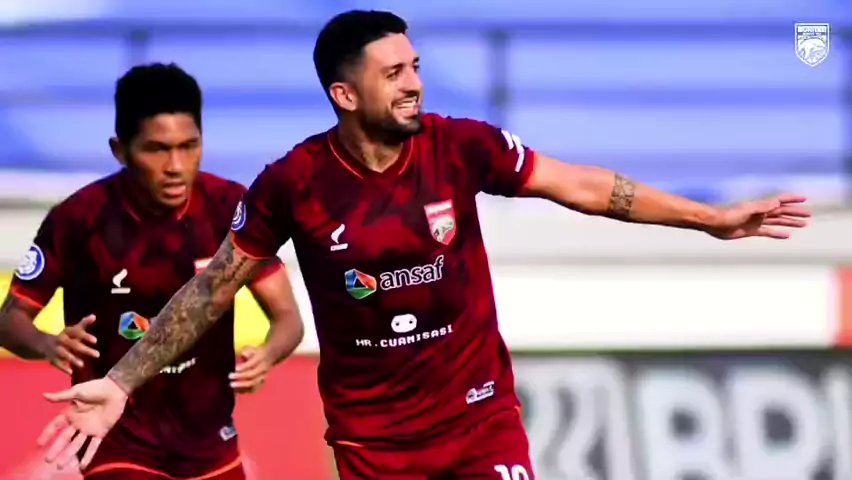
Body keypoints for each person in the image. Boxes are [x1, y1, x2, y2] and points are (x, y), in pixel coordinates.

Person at [35, 11, 811, 480]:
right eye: (394, 73)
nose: (414, 84)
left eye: (415, 67)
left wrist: (709, 218)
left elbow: (580, 184)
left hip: (478, 417)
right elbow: (213, 289)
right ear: (345, 94)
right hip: (373, 444)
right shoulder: (293, 184)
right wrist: (124, 381)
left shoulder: (461, 147)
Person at [0, 63, 305, 480]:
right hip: (115, 439)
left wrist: (268, 354)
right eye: (157, 149)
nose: (176, 165)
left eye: (189, 146)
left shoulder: (228, 207)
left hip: (211, 442)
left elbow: (288, 317)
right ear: (120, 150)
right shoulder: (78, 219)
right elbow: (10, 320)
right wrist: (47, 343)